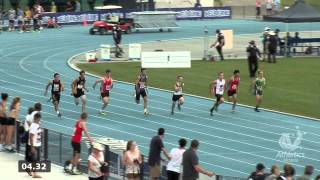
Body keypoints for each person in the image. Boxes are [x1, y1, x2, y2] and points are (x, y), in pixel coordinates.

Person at [26, 113, 42, 178]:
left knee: (33, 159)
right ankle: (35, 173)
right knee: (35, 160)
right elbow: (31, 136)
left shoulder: (36, 125)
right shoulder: (34, 125)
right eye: (39, 119)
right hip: (34, 145)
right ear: (37, 118)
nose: (40, 120)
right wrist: (32, 147)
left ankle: (28, 168)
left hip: (36, 144)